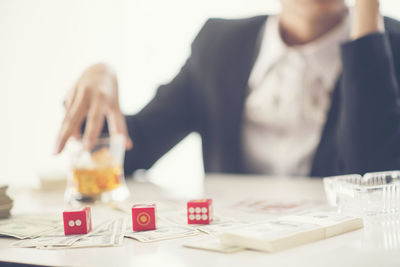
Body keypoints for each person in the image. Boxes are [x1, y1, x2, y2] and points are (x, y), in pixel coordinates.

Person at [55, 0, 400, 178]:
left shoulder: (390, 46)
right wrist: (99, 77)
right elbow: (133, 150)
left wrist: (368, 21)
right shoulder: (219, 45)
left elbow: (374, 177)